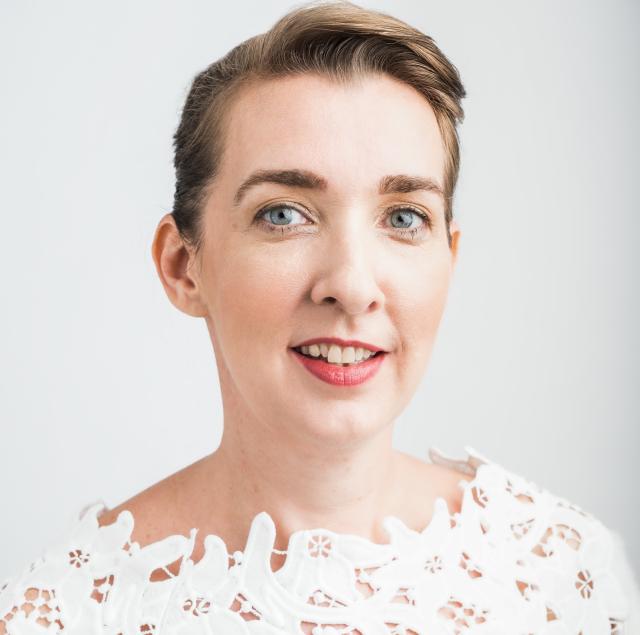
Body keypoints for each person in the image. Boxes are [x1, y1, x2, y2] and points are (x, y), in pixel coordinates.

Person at [1, 1, 638, 633]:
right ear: (182, 266)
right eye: (283, 214)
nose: (353, 287)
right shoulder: (62, 615)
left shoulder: (564, 577)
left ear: (449, 257)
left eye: (403, 217)